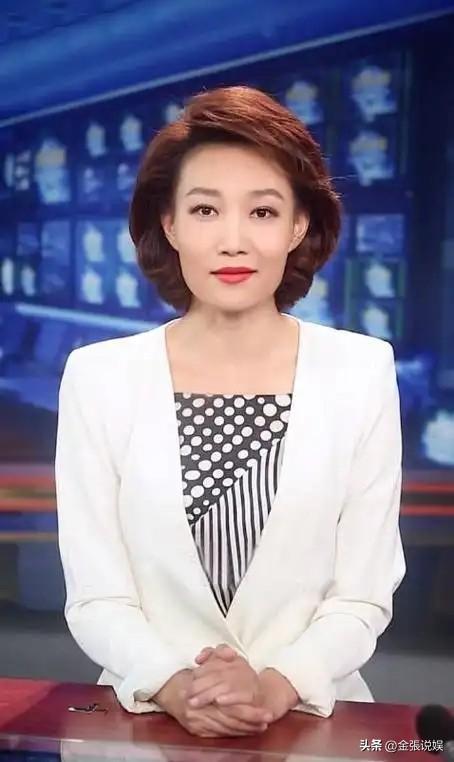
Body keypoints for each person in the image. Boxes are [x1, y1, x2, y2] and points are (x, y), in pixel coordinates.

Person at [55, 85, 406, 738]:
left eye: (263, 212)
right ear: (170, 224)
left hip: (311, 727)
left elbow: (362, 595)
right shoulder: (98, 378)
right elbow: (98, 596)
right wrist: (176, 685)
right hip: (144, 725)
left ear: (298, 225)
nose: (233, 241)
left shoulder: (362, 372)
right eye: (205, 210)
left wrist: (274, 686)